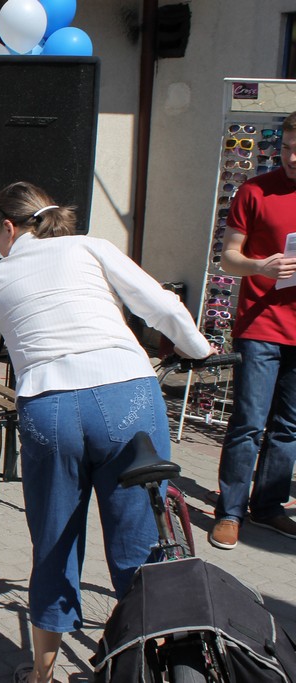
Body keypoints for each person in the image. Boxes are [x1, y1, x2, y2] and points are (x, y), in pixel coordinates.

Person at [0, 181, 211, 683]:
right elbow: (160, 305)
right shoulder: (91, 247)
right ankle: (145, 661)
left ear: (9, 228)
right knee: (140, 538)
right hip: (128, 397)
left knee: (57, 540)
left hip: (51, 407)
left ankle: (42, 673)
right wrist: (198, 349)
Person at [209, 113, 296, 550]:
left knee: (289, 426)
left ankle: (269, 506)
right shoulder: (254, 191)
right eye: (286, 149)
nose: (292, 157)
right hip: (261, 324)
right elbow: (228, 258)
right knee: (248, 422)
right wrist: (259, 266)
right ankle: (230, 511)